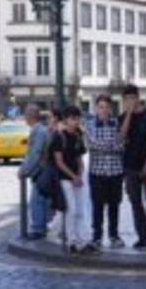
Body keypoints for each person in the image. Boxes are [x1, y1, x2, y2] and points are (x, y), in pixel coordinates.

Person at [118, 87, 146, 250]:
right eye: (127, 98)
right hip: (130, 165)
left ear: (138, 98)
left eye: (133, 98)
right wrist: (129, 114)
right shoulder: (123, 117)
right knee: (135, 202)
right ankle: (142, 236)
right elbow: (121, 136)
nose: (130, 101)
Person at [50, 106, 95, 254]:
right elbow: (59, 161)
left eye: (77, 118)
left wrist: (80, 173)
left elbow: (79, 157)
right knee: (71, 210)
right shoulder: (59, 137)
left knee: (80, 210)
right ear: (66, 120)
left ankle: (82, 240)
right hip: (65, 179)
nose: (75, 122)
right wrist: (73, 176)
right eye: (72, 119)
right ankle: (71, 241)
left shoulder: (77, 136)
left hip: (77, 179)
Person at [84, 95, 125, 249]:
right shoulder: (89, 125)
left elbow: (122, 146)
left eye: (107, 107)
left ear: (111, 109)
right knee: (97, 206)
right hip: (97, 172)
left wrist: (111, 146)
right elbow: (92, 145)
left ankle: (114, 236)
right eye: (101, 107)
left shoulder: (117, 124)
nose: (104, 110)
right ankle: (97, 237)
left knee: (115, 205)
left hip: (115, 172)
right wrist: (113, 145)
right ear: (96, 108)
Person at [18, 105, 54, 239]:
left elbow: (35, 153)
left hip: (40, 172)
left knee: (37, 201)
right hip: (41, 170)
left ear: (30, 116)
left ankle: (38, 229)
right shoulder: (40, 130)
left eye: (26, 114)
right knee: (40, 201)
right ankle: (40, 227)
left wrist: (24, 170)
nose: (24, 117)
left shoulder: (38, 131)